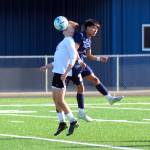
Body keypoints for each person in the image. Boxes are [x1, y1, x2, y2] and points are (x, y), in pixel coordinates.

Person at [68, 19, 124, 122]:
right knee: (76, 89)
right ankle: (70, 114)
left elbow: (89, 56)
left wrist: (99, 58)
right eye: (93, 27)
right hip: (71, 65)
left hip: (81, 64)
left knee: (95, 79)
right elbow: (73, 51)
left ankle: (109, 98)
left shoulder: (89, 39)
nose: (95, 30)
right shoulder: (80, 36)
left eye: (97, 28)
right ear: (87, 27)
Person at [41, 20, 80, 136]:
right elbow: (59, 59)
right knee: (55, 100)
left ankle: (73, 120)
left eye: (69, 26)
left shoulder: (69, 41)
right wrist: (48, 66)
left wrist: (66, 72)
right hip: (57, 73)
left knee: (60, 101)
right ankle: (62, 123)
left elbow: (73, 58)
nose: (66, 27)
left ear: (71, 30)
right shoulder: (63, 42)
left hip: (62, 74)